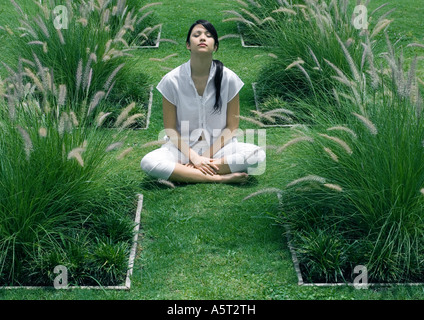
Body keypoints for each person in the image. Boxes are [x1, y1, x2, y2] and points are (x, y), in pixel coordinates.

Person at [140, 20, 265, 183]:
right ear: (188, 45)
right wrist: (193, 157)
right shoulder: (172, 80)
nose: (202, 38)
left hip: (220, 149)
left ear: (215, 46)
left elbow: (232, 127)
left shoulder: (229, 79)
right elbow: (170, 129)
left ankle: (188, 173)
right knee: (148, 162)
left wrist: (204, 158)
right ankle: (218, 178)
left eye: (208, 35)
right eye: (196, 35)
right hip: (181, 149)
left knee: (258, 155)